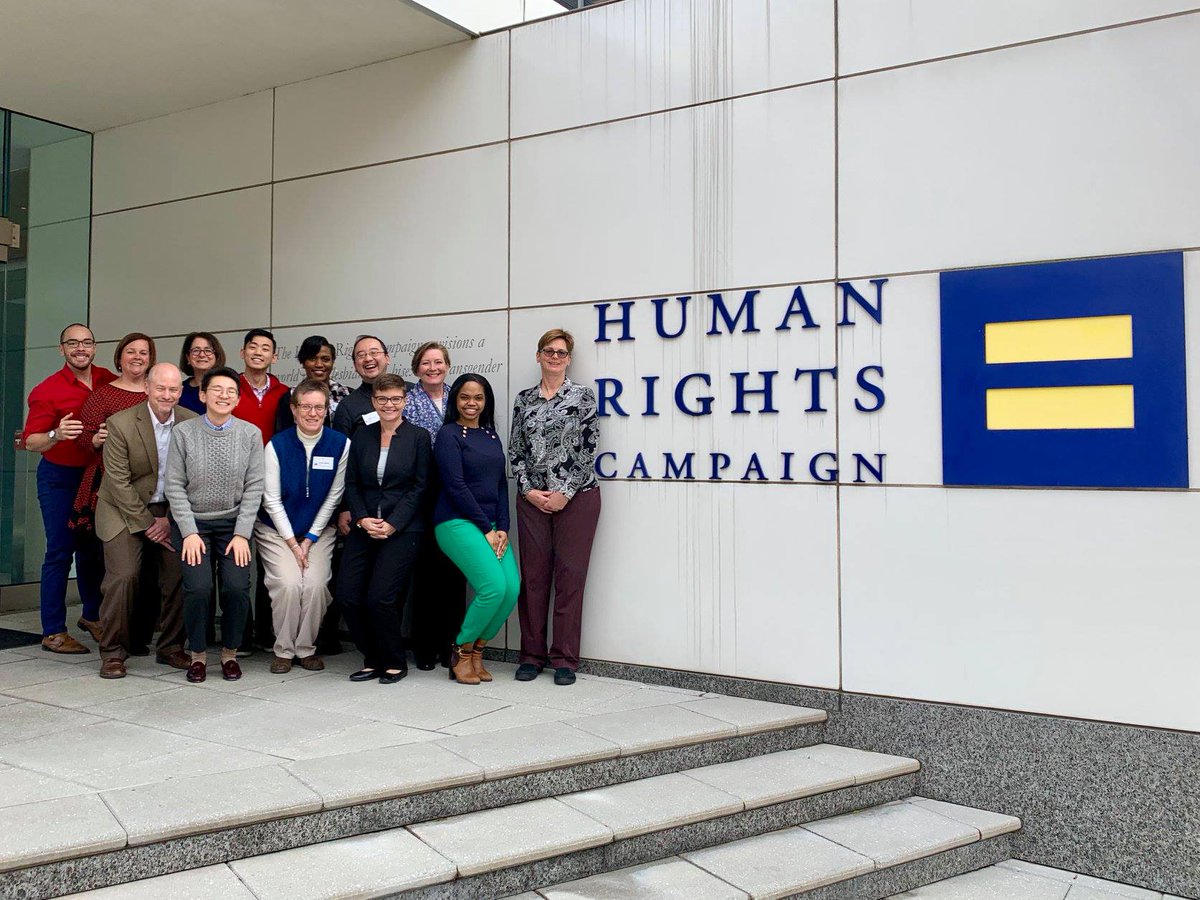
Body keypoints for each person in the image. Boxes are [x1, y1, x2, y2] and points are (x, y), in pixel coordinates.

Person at [509, 329, 601, 687]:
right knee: (533, 579)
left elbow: (589, 449)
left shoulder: (582, 397)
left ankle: (564, 657)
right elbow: (516, 452)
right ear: (538, 356)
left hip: (577, 499)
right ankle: (531, 656)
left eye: (561, 353)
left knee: (570, 578)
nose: (555, 357)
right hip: (532, 500)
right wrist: (530, 490)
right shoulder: (524, 400)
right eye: (549, 351)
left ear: (569, 359)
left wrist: (564, 491)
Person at [164, 367, 265, 683]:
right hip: (193, 524)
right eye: (217, 389)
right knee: (198, 587)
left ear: (237, 398)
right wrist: (189, 531)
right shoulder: (183, 433)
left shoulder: (250, 434)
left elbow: (255, 486)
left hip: (234, 523)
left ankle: (230, 653)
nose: (224, 395)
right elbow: (174, 485)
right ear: (204, 395)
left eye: (231, 391)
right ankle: (197, 654)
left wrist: (241, 534)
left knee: (237, 587)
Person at [94, 363, 195, 678]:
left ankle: (171, 647)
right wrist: (149, 523)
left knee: (182, 569)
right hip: (122, 509)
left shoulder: (192, 423)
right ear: (147, 388)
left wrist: (168, 518)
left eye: (174, 389)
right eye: (161, 388)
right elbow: (118, 482)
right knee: (124, 576)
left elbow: (195, 480)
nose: (167, 395)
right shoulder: (121, 423)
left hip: (170, 510)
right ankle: (113, 652)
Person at [21, 323, 116, 653]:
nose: (80, 348)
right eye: (73, 343)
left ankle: (92, 616)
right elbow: (30, 441)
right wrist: (55, 435)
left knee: (94, 550)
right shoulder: (47, 390)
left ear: (94, 347)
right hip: (60, 478)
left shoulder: (107, 380)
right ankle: (53, 631)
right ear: (61, 349)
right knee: (60, 551)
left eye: (87, 342)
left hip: (96, 479)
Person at [336, 374, 430, 685]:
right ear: (374, 401)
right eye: (382, 399)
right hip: (364, 525)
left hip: (402, 529)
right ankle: (371, 657)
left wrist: (392, 524)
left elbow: (420, 487)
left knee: (380, 598)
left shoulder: (418, 437)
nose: (389, 404)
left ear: (405, 401)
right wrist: (362, 518)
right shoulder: (362, 435)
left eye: (395, 399)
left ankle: (392, 660)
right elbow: (351, 482)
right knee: (348, 595)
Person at [256, 380, 349, 673]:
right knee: (287, 583)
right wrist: (293, 544)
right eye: (305, 406)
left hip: (318, 531)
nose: (312, 413)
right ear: (294, 410)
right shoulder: (277, 445)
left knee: (316, 585)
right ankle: (283, 650)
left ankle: (306, 648)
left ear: (326, 410)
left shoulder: (340, 444)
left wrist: (309, 539)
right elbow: (271, 500)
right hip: (276, 531)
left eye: (318, 407)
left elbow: (334, 496)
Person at [434, 373, 519, 686]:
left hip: (491, 526)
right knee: (493, 587)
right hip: (456, 521)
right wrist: (486, 527)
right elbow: (455, 486)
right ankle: (460, 650)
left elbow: (499, 484)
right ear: (455, 400)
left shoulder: (491, 436)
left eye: (478, 398)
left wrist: (504, 528)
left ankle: (477, 651)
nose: (471, 403)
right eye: (465, 397)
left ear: (486, 402)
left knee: (510, 590)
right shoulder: (448, 435)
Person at [403, 341, 466, 670]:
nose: (432, 368)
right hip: (423, 494)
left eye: (438, 362)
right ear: (416, 369)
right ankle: (424, 646)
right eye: (425, 363)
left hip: (456, 494)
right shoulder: (407, 400)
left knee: (455, 571)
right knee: (426, 572)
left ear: (447, 365)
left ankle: (450, 644)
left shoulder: (460, 396)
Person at [72, 333, 156, 545]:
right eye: (131, 351)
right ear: (119, 358)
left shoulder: (159, 393)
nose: (137, 357)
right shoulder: (102, 395)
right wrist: (95, 440)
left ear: (150, 359)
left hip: (154, 484)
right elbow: (82, 437)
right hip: (111, 482)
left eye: (143, 352)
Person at [275, 335, 352, 432]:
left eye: (325, 359)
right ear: (303, 363)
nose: (319, 364)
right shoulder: (290, 397)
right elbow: (283, 437)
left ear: (333, 362)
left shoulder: (347, 395)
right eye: (312, 359)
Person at [234, 328, 290, 445]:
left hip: (273, 459)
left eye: (265, 349)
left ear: (274, 357)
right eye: (252, 347)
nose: (258, 353)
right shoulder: (231, 390)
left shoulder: (284, 393)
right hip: (237, 460)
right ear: (242, 353)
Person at [332, 335, 391, 440]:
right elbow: (342, 450)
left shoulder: (410, 391)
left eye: (374, 353)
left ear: (387, 358)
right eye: (361, 355)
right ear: (355, 365)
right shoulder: (347, 406)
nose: (368, 359)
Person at [178, 332, 226, 415]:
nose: (202, 355)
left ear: (216, 356)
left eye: (208, 350)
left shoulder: (227, 386)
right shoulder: (180, 390)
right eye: (196, 350)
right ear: (188, 358)